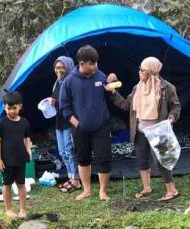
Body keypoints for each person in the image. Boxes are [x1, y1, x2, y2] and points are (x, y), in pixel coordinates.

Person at [107, 57, 182, 201]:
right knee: (142, 161)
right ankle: (146, 187)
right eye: (140, 69)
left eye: (142, 70)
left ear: (151, 71)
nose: (139, 72)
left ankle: (172, 190)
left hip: (158, 131)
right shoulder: (137, 88)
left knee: (161, 161)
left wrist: (171, 118)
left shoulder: (167, 88)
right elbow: (126, 105)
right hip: (140, 131)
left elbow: (175, 106)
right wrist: (113, 92)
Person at [59, 44, 112, 202]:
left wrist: (112, 83)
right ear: (81, 63)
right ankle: (87, 190)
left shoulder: (101, 76)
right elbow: (64, 106)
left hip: (101, 126)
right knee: (83, 159)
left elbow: (109, 96)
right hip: (80, 129)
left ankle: (102, 191)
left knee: (104, 158)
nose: (95, 66)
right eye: (92, 63)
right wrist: (76, 123)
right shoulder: (69, 81)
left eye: (96, 62)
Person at [0, 90, 32, 219]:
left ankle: (23, 209)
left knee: (21, 184)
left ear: (20, 106)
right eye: (8, 108)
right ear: (4, 107)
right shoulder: (1, 123)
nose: (11, 111)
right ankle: (8, 209)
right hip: (6, 160)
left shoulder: (24, 122)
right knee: (7, 184)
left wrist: (28, 151)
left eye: (14, 108)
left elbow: (27, 139)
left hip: (20, 158)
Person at [50, 56, 81, 193]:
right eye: (56, 68)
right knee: (62, 152)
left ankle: (76, 180)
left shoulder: (71, 82)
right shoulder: (57, 83)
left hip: (69, 121)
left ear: (68, 67)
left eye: (61, 67)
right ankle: (70, 177)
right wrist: (52, 101)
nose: (58, 70)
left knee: (69, 151)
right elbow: (58, 101)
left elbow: (74, 102)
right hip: (59, 122)